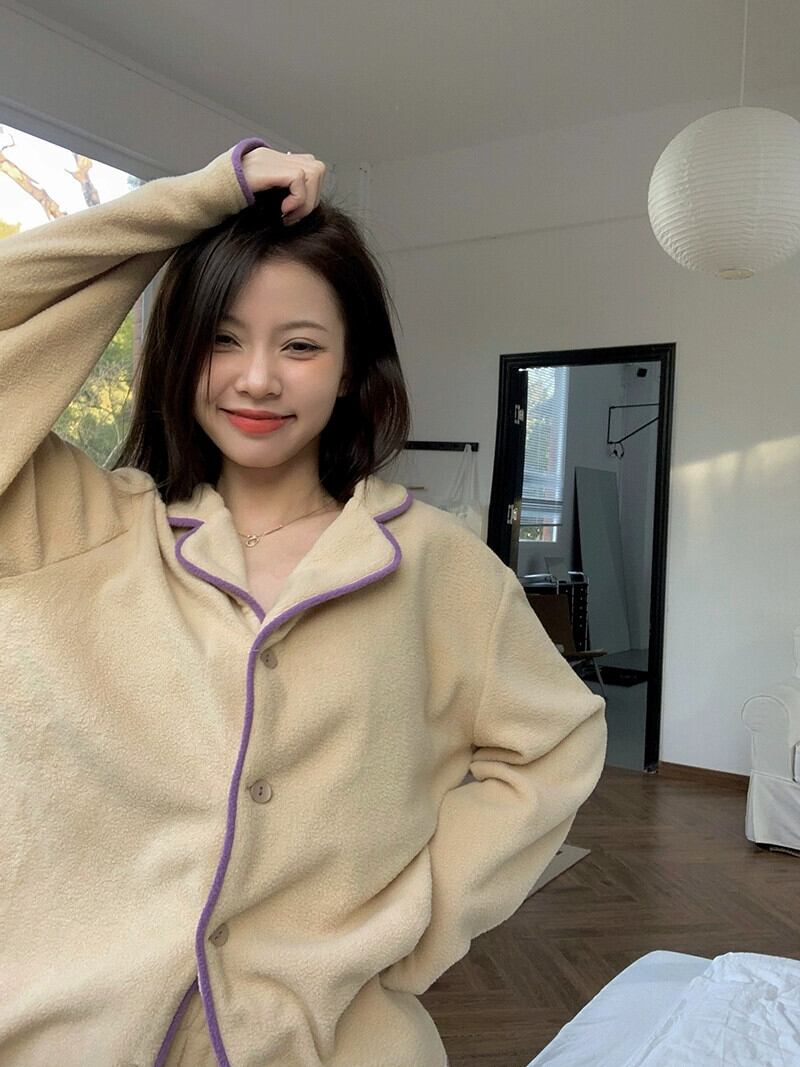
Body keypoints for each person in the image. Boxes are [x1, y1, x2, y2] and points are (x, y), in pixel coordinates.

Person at [0, 138, 607, 1067]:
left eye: (301, 345)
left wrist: (420, 918)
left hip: (337, 1043)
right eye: (222, 338)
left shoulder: (436, 565)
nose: (257, 378)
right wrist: (190, 205)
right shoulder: (73, 527)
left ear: (352, 368)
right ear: (178, 353)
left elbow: (557, 741)